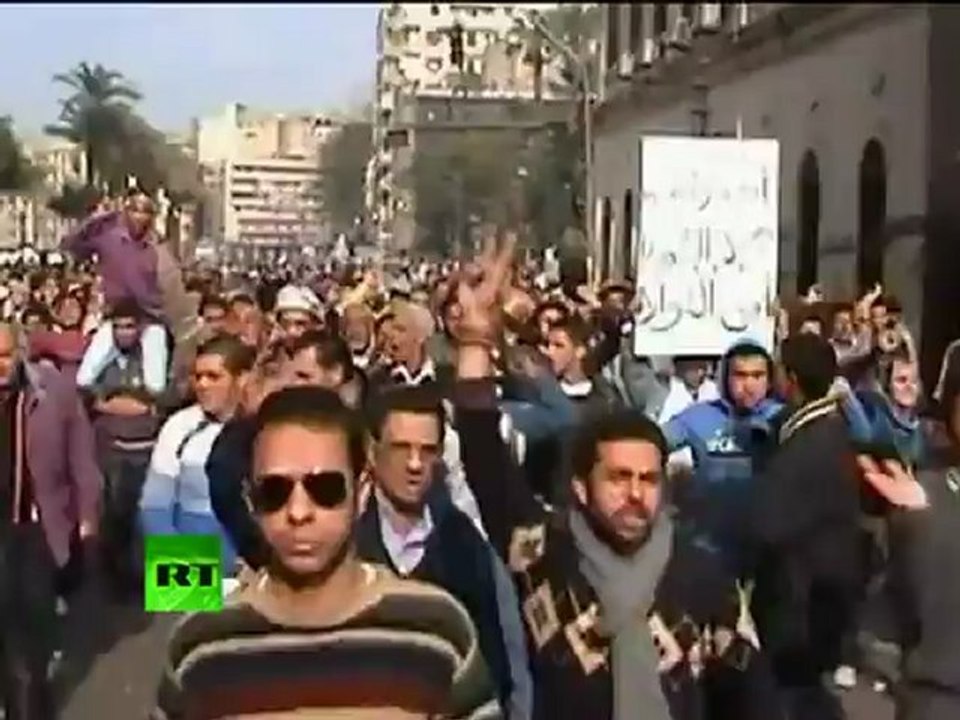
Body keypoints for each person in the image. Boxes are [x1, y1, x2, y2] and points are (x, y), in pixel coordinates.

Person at [450, 234, 777, 720]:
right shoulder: (544, 556)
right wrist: (476, 341)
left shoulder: (702, 579)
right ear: (580, 487)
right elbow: (483, 456)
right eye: (618, 478)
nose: (635, 494)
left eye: (648, 479)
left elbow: (753, 702)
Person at [153, 386, 500, 719]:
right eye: (274, 492)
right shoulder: (198, 647)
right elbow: (151, 534)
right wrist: (210, 581)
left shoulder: (440, 627)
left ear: (361, 491)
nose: (299, 512)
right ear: (250, 500)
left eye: (325, 489)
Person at [751, 332, 862, 720]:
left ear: (791, 379)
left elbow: (769, 524)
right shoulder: (816, 431)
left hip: (802, 607)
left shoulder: (809, 445)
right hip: (815, 603)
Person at [0, 321, 101, 719]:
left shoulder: (52, 392)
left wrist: (87, 517)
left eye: (6, 355)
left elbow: (82, 460)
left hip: (35, 529)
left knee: (30, 633)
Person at [661, 338, 783, 578]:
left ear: (769, 380)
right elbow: (651, 443)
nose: (748, 384)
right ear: (725, 377)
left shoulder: (782, 417)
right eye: (740, 375)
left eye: (757, 375)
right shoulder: (699, 416)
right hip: (709, 547)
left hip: (767, 551)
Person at [139, 335, 255, 572]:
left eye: (213, 376)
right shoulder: (179, 425)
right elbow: (153, 509)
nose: (202, 385)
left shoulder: (262, 427)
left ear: (242, 379)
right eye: (197, 376)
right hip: (185, 567)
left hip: (250, 572)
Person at [63, 188, 170, 396]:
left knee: (156, 385)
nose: (140, 216)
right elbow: (71, 245)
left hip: (150, 320)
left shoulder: (159, 248)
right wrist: (99, 217)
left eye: (146, 211)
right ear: (126, 213)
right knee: (84, 378)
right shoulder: (108, 240)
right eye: (135, 210)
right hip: (115, 319)